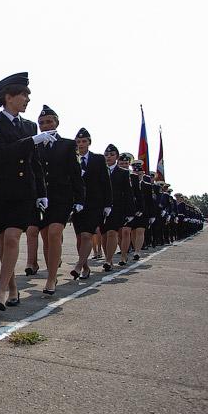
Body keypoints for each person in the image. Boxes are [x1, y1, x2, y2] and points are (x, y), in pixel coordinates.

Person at [0, 72, 52, 308]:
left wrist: (42, 192)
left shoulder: (29, 125)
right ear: (8, 96)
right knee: (4, 242)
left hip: (23, 191)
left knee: (13, 238)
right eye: (23, 94)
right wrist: (31, 142)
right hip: (0, 190)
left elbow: (34, 163)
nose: (27, 99)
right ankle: (13, 287)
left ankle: (1, 291)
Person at [33, 105, 83, 291]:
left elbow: (75, 173)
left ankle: (51, 278)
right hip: (41, 198)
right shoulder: (35, 144)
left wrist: (79, 199)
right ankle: (51, 268)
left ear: (57, 122)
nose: (45, 126)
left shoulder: (68, 145)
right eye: (41, 123)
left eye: (49, 122)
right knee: (46, 237)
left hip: (62, 197)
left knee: (54, 233)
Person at [72, 128, 111, 280]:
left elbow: (105, 182)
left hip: (95, 203)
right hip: (77, 204)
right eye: (78, 141)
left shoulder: (98, 159)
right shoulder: (71, 158)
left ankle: (77, 266)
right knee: (80, 238)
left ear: (89, 142)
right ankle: (85, 267)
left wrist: (108, 204)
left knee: (87, 235)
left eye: (84, 141)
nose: (81, 144)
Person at [102, 145, 135, 270]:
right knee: (104, 234)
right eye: (106, 155)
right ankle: (108, 257)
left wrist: (130, 211)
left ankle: (109, 260)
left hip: (117, 208)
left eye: (111, 155)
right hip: (102, 207)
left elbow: (128, 193)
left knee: (112, 232)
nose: (108, 157)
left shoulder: (123, 173)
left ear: (116, 156)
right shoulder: (100, 171)